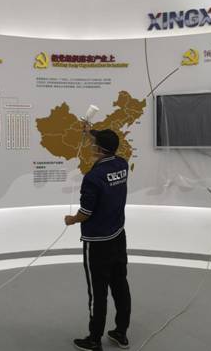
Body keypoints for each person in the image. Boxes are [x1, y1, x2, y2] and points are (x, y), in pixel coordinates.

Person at [64, 128, 131, 351]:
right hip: (118, 237)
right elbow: (105, 142)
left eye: (94, 143)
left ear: (99, 149)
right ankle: (121, 333)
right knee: (120, 285)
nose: (91, 145)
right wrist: (89, 131)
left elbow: (86, 212)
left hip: (97, 243)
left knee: (97, 292)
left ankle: (94, 340)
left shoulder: (93, 177)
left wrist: (72, 220)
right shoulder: (122, 165)